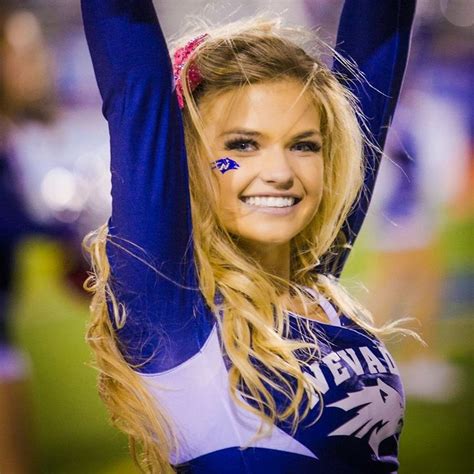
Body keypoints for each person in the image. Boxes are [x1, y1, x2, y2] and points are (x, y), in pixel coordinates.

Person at [81, 0, 418, 472]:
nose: (280, 173)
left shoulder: (314, 276)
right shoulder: (171, 308)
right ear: (189, 163)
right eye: (243, 145)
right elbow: (130, 62)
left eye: (304, 145)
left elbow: (383, 26)